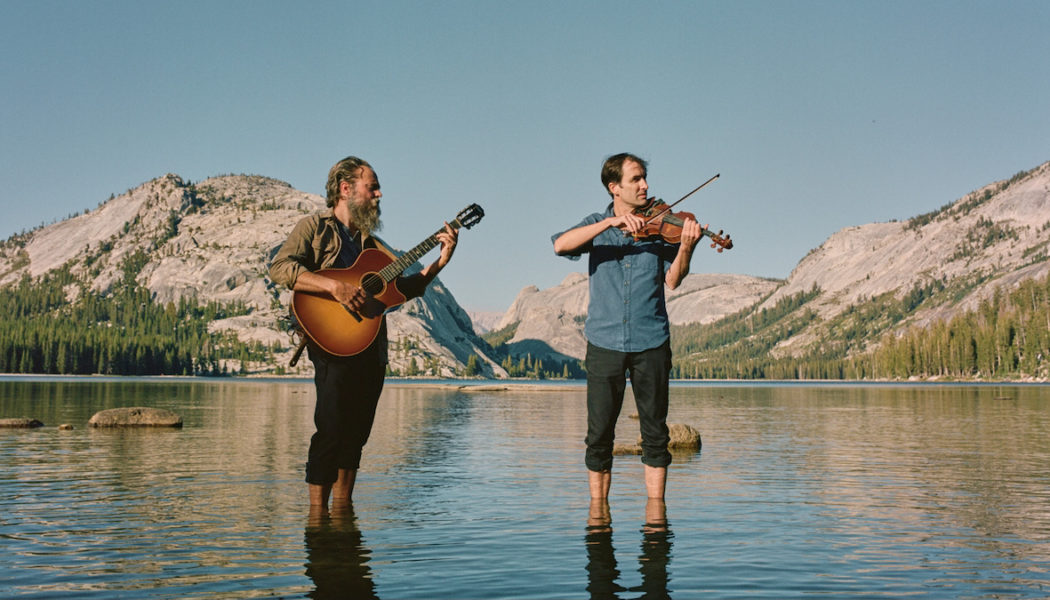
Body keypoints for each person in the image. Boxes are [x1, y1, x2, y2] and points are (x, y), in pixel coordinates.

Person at [269, 155, 458, 510]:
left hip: (370, 347)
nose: (379, 194)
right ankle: (316, 519)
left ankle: (342, 514)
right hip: (331, 341)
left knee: (356, 434)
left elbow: (406, 289)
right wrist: (334, 288)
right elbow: (280, 268)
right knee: (330, 427)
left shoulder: (374, 246)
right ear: (346, 189)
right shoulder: (314, 227)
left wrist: (440, 262)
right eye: (372, 187)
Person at [552, 153, 702, 500]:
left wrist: (686, 249)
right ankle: (598, 516)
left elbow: (674, 281)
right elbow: (560, 244)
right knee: (599, 435)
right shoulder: (595, 223)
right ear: (614, 187)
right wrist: (609, 225)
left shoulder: (662, 223)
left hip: (651, 341)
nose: (645, 185)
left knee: (655, 434)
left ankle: (656, 516)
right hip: (604, 343)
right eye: (636, 179)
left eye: (645, 178)